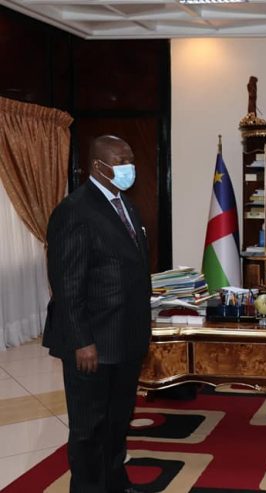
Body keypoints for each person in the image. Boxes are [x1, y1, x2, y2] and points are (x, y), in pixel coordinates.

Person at [44, 135, 151, 493]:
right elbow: (66, 284)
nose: (128, 167)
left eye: (130, 158)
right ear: (98, 166)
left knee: (118, 421)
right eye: (120, 161)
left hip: (126, 336)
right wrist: (81, 341)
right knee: (89, 427)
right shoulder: (74, 210)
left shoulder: (125, 205)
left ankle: (115, 483)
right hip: (92, 343)